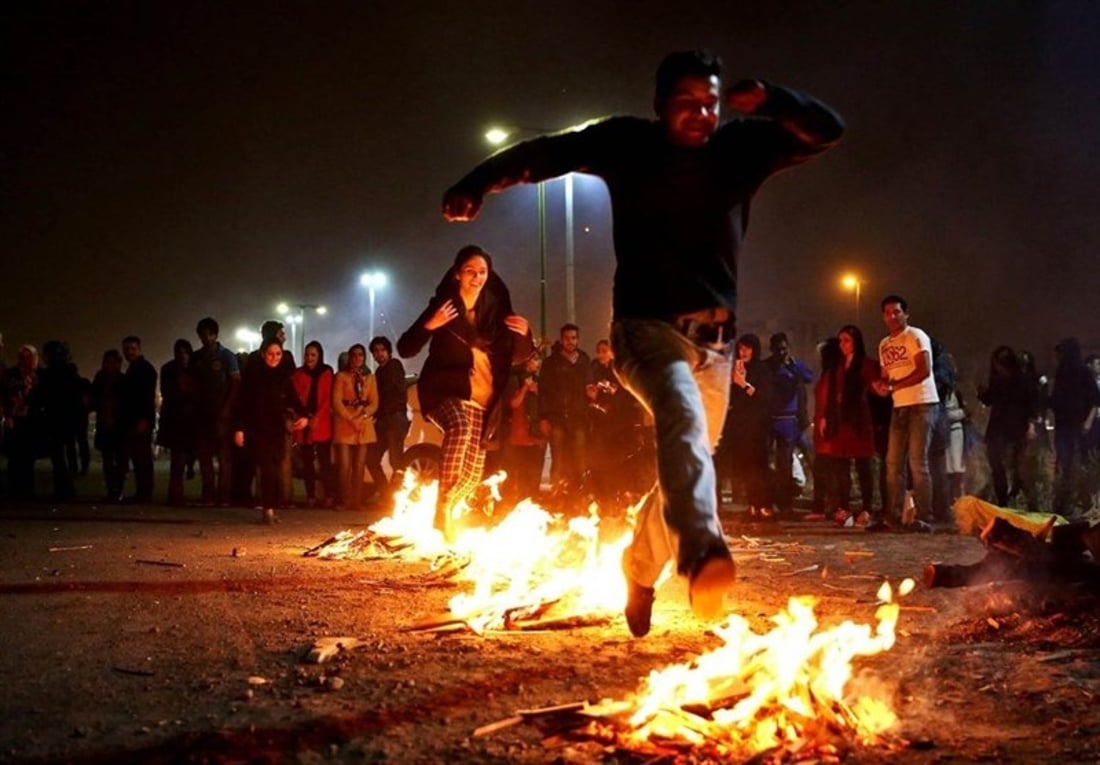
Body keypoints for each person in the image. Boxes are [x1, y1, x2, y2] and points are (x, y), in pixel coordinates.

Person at [441, 49, 843, 635]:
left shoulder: (740, 149)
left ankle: (640, 565)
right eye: (686, 104)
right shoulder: (628, 143)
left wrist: (778, 102)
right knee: (679, 416)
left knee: (690, 461)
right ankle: (702, 549)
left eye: (709, 102)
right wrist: (477, 181)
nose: (701, 115)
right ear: (658, 107)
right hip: (643, 330)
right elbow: (546, 153)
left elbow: (828, 131)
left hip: (717, 346)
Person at [397, 245, 533, 541]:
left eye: (482, 272)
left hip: (482, 405)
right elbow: (406, 346)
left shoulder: (494, 315)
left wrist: (526, 333)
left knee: (472, 475)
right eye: (470, 271)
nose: (477, 277)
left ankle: (446, 511)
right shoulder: (445, 307)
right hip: (444, 392)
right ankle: (442, 509)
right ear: (457, 274)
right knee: (458, 427)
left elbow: (519, 356)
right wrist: (430, 324)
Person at [870, 295, 940, 532]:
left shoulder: (915, 336)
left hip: (922, 403)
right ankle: (894, 515)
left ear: (906, 314)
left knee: (917, 462)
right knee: (892, 463)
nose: (892, 316)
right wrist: (880, 386)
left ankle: (925, 516)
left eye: (897, 312)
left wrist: (893, 386)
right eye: (888, 312)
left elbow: (924, 370)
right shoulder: (884, 345)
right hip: (899, 406)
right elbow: (887, 376)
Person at [233, 338, 307, 523]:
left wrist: (303, 415)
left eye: (278, 354)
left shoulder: (283, 375)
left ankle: (271, 507)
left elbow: (293, 398)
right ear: (262, 354)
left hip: (277, 428)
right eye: (270, 354)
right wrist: (239, 428)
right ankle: (268, 510)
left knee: (275, 468)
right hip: (257, 429)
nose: (274, 358)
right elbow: (242, 403)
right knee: (267, 468)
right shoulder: (253, 375)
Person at [823, 326, 879, 525]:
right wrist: (826, 418)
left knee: (863, 465)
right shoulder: (838, 366)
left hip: (859, 420)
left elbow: (875, 388)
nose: (842, 345)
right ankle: (844, 507)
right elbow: (831, 394)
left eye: (846, 340)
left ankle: (867, 508)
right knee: (841, 465)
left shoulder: (865, 364)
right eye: (840, 341)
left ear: (856, 341)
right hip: (840, 421)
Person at [978, 346, 1038, 509]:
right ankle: (1003, 501)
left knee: (1019, 468)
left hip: (1016, 428)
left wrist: (1031, 425)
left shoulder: (1022, 380)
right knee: (997, 465)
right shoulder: (998, 381)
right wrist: (982, 393)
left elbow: (1031, 404)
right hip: (998, 427)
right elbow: (989, 399)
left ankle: (1030, 503)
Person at [1047, 337, 1100, 517]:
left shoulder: (1083, 372)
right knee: (1064, 464)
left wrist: (1087, 422)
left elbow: (1095, 400)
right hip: (1064, 427)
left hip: (1080, 427)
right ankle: (1063, 504)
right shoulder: (1062, 372)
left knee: (1082, 463)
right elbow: (1057, 399)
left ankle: (1086, 503)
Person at [719, 333, 770, 516]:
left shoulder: (762, 370)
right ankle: (752, 505)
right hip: (740, 427)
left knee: (758, 466)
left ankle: (763, 504)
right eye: (740, 348)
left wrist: (743, 384)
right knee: (745, 468)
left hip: (757, 427)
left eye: (747, 348)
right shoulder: (735, 369)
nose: (743, 352)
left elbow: (763, 397)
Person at [191, 317, 241, 506]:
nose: (204, 338)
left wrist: (227, 408)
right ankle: (208, 495)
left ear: (214, 334)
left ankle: (224, 496)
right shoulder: (197, 357)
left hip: (222, 415)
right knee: (204, 458)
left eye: (207, 334)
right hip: (202, 415)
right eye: (201, 335)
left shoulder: (227, 356)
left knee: (223, 457)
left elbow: (236, 384)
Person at [765, 332, 815, 518]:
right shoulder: (767, 366)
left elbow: (809, 377)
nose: (782, 352)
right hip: (773, 419)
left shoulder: (794, 365)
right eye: (778, 349)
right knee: (775, 463)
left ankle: (791, 504)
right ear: (772, 350)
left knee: (795, 462)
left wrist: (793, 366)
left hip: (792, 420)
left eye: (784, 348)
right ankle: (776, 503)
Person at [539, 323, 592, 494]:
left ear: (578, 340)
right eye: (567, 338)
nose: (570, 341)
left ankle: (580, 496)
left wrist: (592, 394)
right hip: (557, 418)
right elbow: (543, 392)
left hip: (578, 418)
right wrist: (543, 418)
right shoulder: (550, 363)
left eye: (573, 338)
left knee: (580, 458)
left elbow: (589, 386)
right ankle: (556, 494)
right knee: (558, 459)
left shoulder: (584, 360)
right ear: (561, 340)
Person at [332, 343, 378, 511]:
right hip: (345, 424)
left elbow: (374, 403)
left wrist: (363, 415)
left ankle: (357, 501)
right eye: (354, 355)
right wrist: (351, 418)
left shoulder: (370, 378)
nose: (357, 358)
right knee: (344, 466)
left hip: (363, 426)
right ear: (349, 358)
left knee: (359, 466)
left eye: (360, 355)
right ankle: (345, 500)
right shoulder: (341, 376)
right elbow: (337, 402)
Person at [291, 341, 336, 508]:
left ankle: (329, 495)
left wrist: (316, 417)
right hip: (303, 423)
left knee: (325, 462)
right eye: (307, 355)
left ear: (319, 356)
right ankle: (310, 496)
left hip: (321, 422)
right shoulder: (298, 374)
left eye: (313, 355)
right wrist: (303, 416)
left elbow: (326, 398)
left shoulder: (326, 372)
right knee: (307, 462)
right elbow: (296, 396)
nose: (309, 358)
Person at [366, 336, 410, 505]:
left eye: (382, 350)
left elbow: (390, 392)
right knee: (372, 459)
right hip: (384, 420)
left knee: (396, 460)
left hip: (394, 418)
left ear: (389, 351)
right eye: (376, 351)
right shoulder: (379, 371)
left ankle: (396, 498)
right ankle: (387, 495)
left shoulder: (393, 366)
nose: (379, 354)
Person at [502, 351, 548, 503]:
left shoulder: (540, 380)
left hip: (534, 434)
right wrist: (525, 389)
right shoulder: (514, 378)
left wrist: (538, 391)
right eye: (534, 359)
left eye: (538, 360)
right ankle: (516, 501)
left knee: (534, 472)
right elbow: (514, 403)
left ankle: (531, 501)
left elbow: (545, 404)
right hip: (518, 433)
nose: (536, 363)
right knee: (518, 471)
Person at [158, 339, 198, 506]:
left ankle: (177, 494)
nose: (183, 356)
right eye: (179, 353)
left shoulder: (196, 370)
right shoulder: (169, 370)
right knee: (178, 459)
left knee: (186, 458)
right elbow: (168, 394)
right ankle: (175, 495)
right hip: (177, 421)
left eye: (185, 352)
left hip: (192, 420)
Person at [120, 335, 157, 503]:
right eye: (127, 349)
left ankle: (145, 493)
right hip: (133, 420)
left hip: (140, 421)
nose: (129, 352)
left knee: (142, 459)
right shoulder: (134, 368)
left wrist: (144, 419)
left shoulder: (145, 369)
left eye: (133, 349)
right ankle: (142, 492)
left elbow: (147, 398)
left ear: (139, 349)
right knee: (138, 458)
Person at [2, 344, 42, 499]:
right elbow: (6, 394)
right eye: (23, 358)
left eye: (29, 358)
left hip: (31, 421)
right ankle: (14, 489)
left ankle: (27, 490)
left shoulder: (39, 375)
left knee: (28, 457)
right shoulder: (11, 374)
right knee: (14, 457)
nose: (26, 361)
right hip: (15, 419)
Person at [90, 349, 127, 502]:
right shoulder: (101, 379)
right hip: (105, 424)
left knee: (119, 460)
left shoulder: (122, 380)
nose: (110, 365)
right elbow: (94, 398)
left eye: (113, 362)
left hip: (119, 425)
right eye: (108, 362)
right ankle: (113, 489)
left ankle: (117, 489)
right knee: (108, 460)